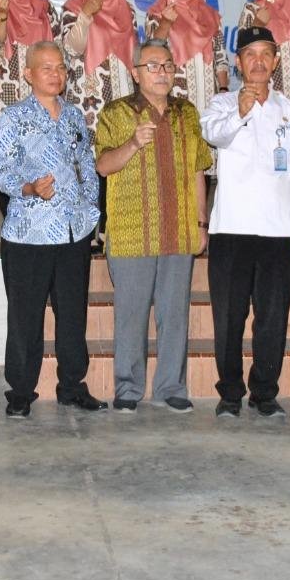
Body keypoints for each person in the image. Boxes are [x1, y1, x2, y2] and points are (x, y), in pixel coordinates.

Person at [200, 26, 290, 418]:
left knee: (271, 319)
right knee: (230, 318)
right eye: (249, 54)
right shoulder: (222, 104)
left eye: (265, 54)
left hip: (278, 231)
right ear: (237, 62)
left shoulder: (288, 108)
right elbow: (214, 136)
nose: (258, 62)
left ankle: (264, 393)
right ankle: (230, 393)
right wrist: (242, 111)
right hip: (231, 229)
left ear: (275, 61)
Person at [94, 39, 213, 413]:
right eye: (152, 66)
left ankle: (171, 387)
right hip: (131, 232)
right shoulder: (116, 113)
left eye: (167, 66)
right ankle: (127, 390)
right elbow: (102, 166)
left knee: (174, 312)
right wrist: (132, 143)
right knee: (130, 313)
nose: (161, 73)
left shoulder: (187, 112)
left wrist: (201, 223)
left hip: (178, 230)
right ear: (135, 72)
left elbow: (198, 170)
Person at [0, 41, 102, 418]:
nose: (56, 75)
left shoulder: (74, 116)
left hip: (73, 232)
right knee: (26, 317)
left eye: (60, 68)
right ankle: (20, 392)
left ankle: (72, 386)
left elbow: (87, 165)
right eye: (46, 68)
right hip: (29, 234)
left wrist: (90, 210)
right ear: (28, 74)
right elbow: (1, 172)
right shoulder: (12, 118)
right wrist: (29, 188)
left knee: (73, 314)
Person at [59, 0, 138, 140]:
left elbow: (133, 54)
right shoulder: (73, 8)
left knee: (123, 159)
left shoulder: (127, 10)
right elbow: (71, 49)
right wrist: (85, 14)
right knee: (87, 163)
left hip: (123, 95)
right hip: (86, 100)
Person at [144, 0, 230, 114]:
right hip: (175, 102)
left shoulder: (211, 15)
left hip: (210, 102)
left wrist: (224, 89)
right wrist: (166, 23)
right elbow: (152, 53)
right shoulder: (157, 14)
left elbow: (220, 58)